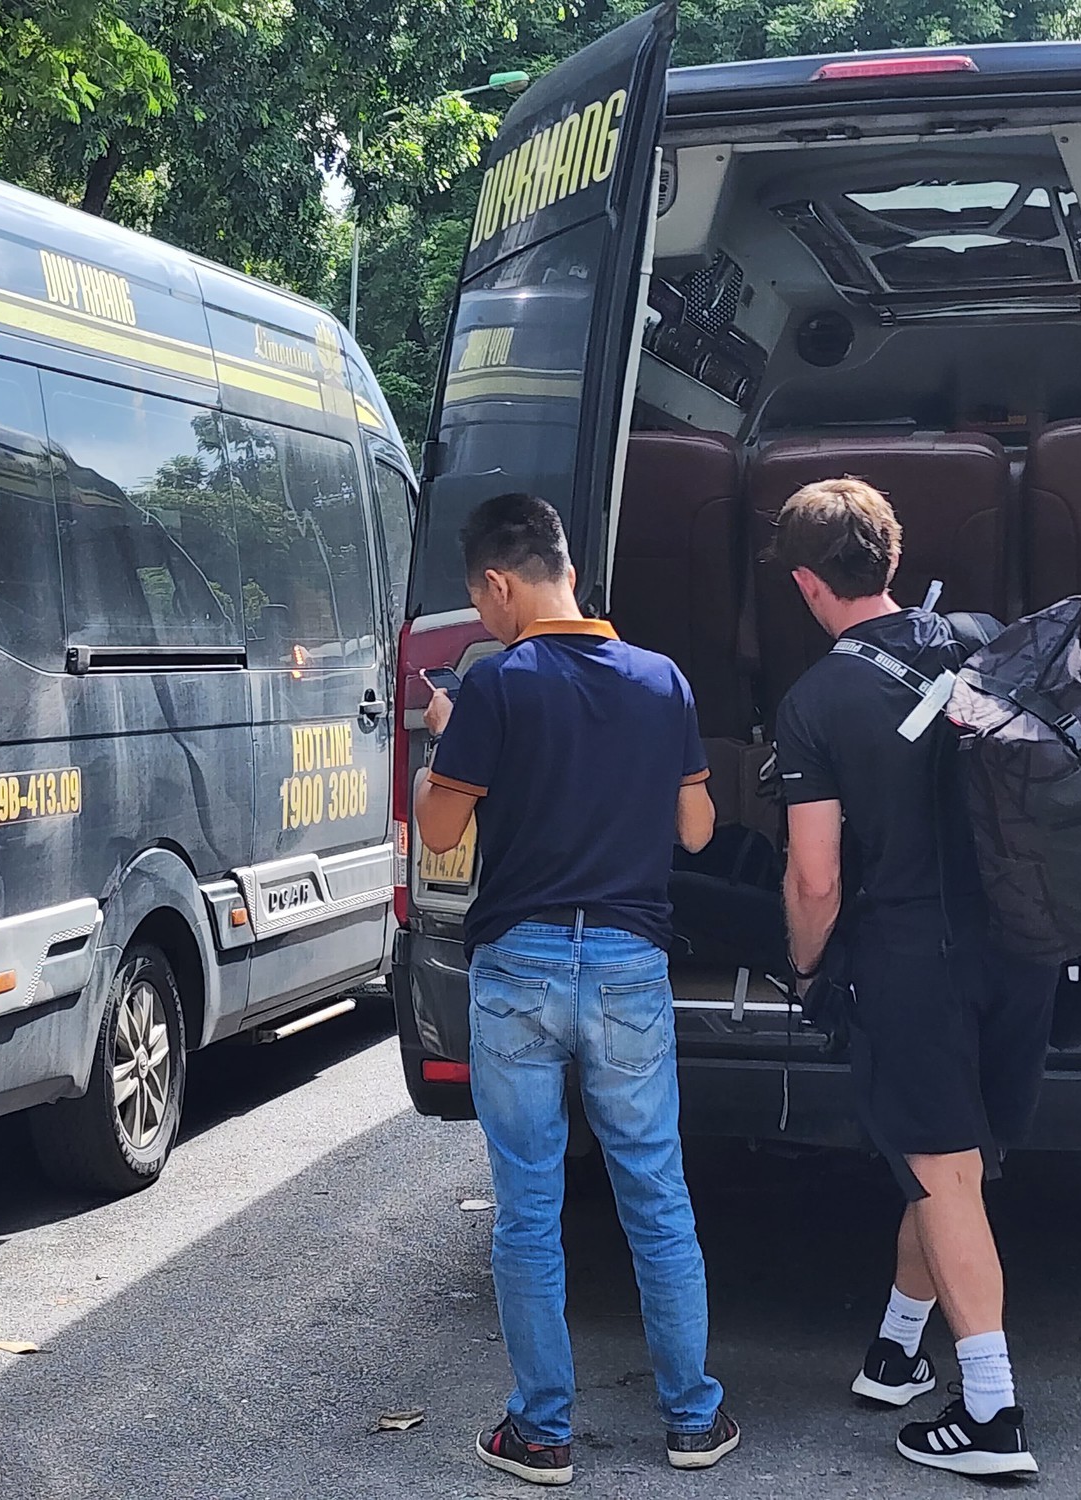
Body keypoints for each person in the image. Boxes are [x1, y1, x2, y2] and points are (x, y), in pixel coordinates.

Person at [415, 492, 737, 1487]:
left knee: (527, 1205)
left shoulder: (495, 686)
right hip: (628, 965)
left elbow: (439, 831)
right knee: (656, 1192)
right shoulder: (661, 678)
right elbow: (696, 832)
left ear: (498, 583)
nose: (485, 618)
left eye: (482, 601)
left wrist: (449, 737)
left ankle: (541, 1432)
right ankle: (692, 1419)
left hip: (518, 964)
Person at [771, 478, 1055, 1478]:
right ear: (891, 559)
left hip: (911, 961)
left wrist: (805, 966)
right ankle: (897, 1351)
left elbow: (814, 878)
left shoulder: (814, 702)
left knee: (942, 1173)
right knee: (950, 1166)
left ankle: (990, 1414)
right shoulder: (984, 639)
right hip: (1021, 948)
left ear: (807, 583)